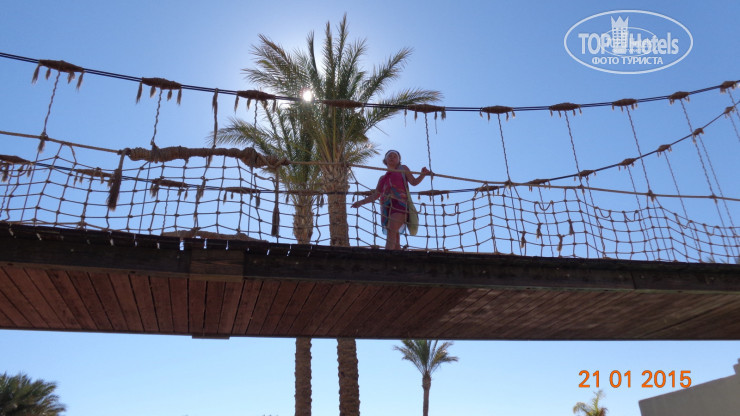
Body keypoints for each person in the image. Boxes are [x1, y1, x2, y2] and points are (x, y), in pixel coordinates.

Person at [351, 149, 430, 250]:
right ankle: (398, 257)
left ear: (399, 160)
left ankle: (386, 256)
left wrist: (422, 174)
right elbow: (376, 195)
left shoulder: (403, 168)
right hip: (386, 208)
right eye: (390, 156)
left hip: (400, 204)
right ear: (385, 160)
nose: (392, 157)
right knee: (395, 237)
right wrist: (361, 202)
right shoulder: (382, 178)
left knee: (391, 229)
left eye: (395, 156)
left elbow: (413, 182)